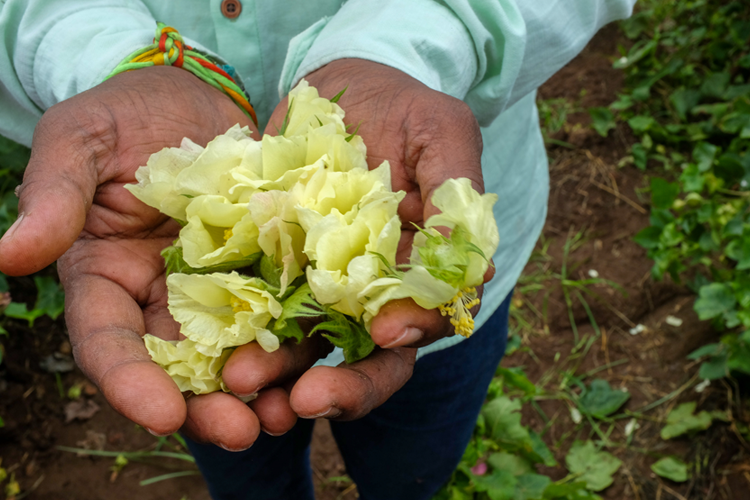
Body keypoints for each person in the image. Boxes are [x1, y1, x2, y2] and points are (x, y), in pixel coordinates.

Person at [0, 1, 637, 498]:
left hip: (426, 240)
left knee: (413, 467)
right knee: (246, 470)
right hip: (173, 287)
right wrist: (107, 57)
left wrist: (403, 50)